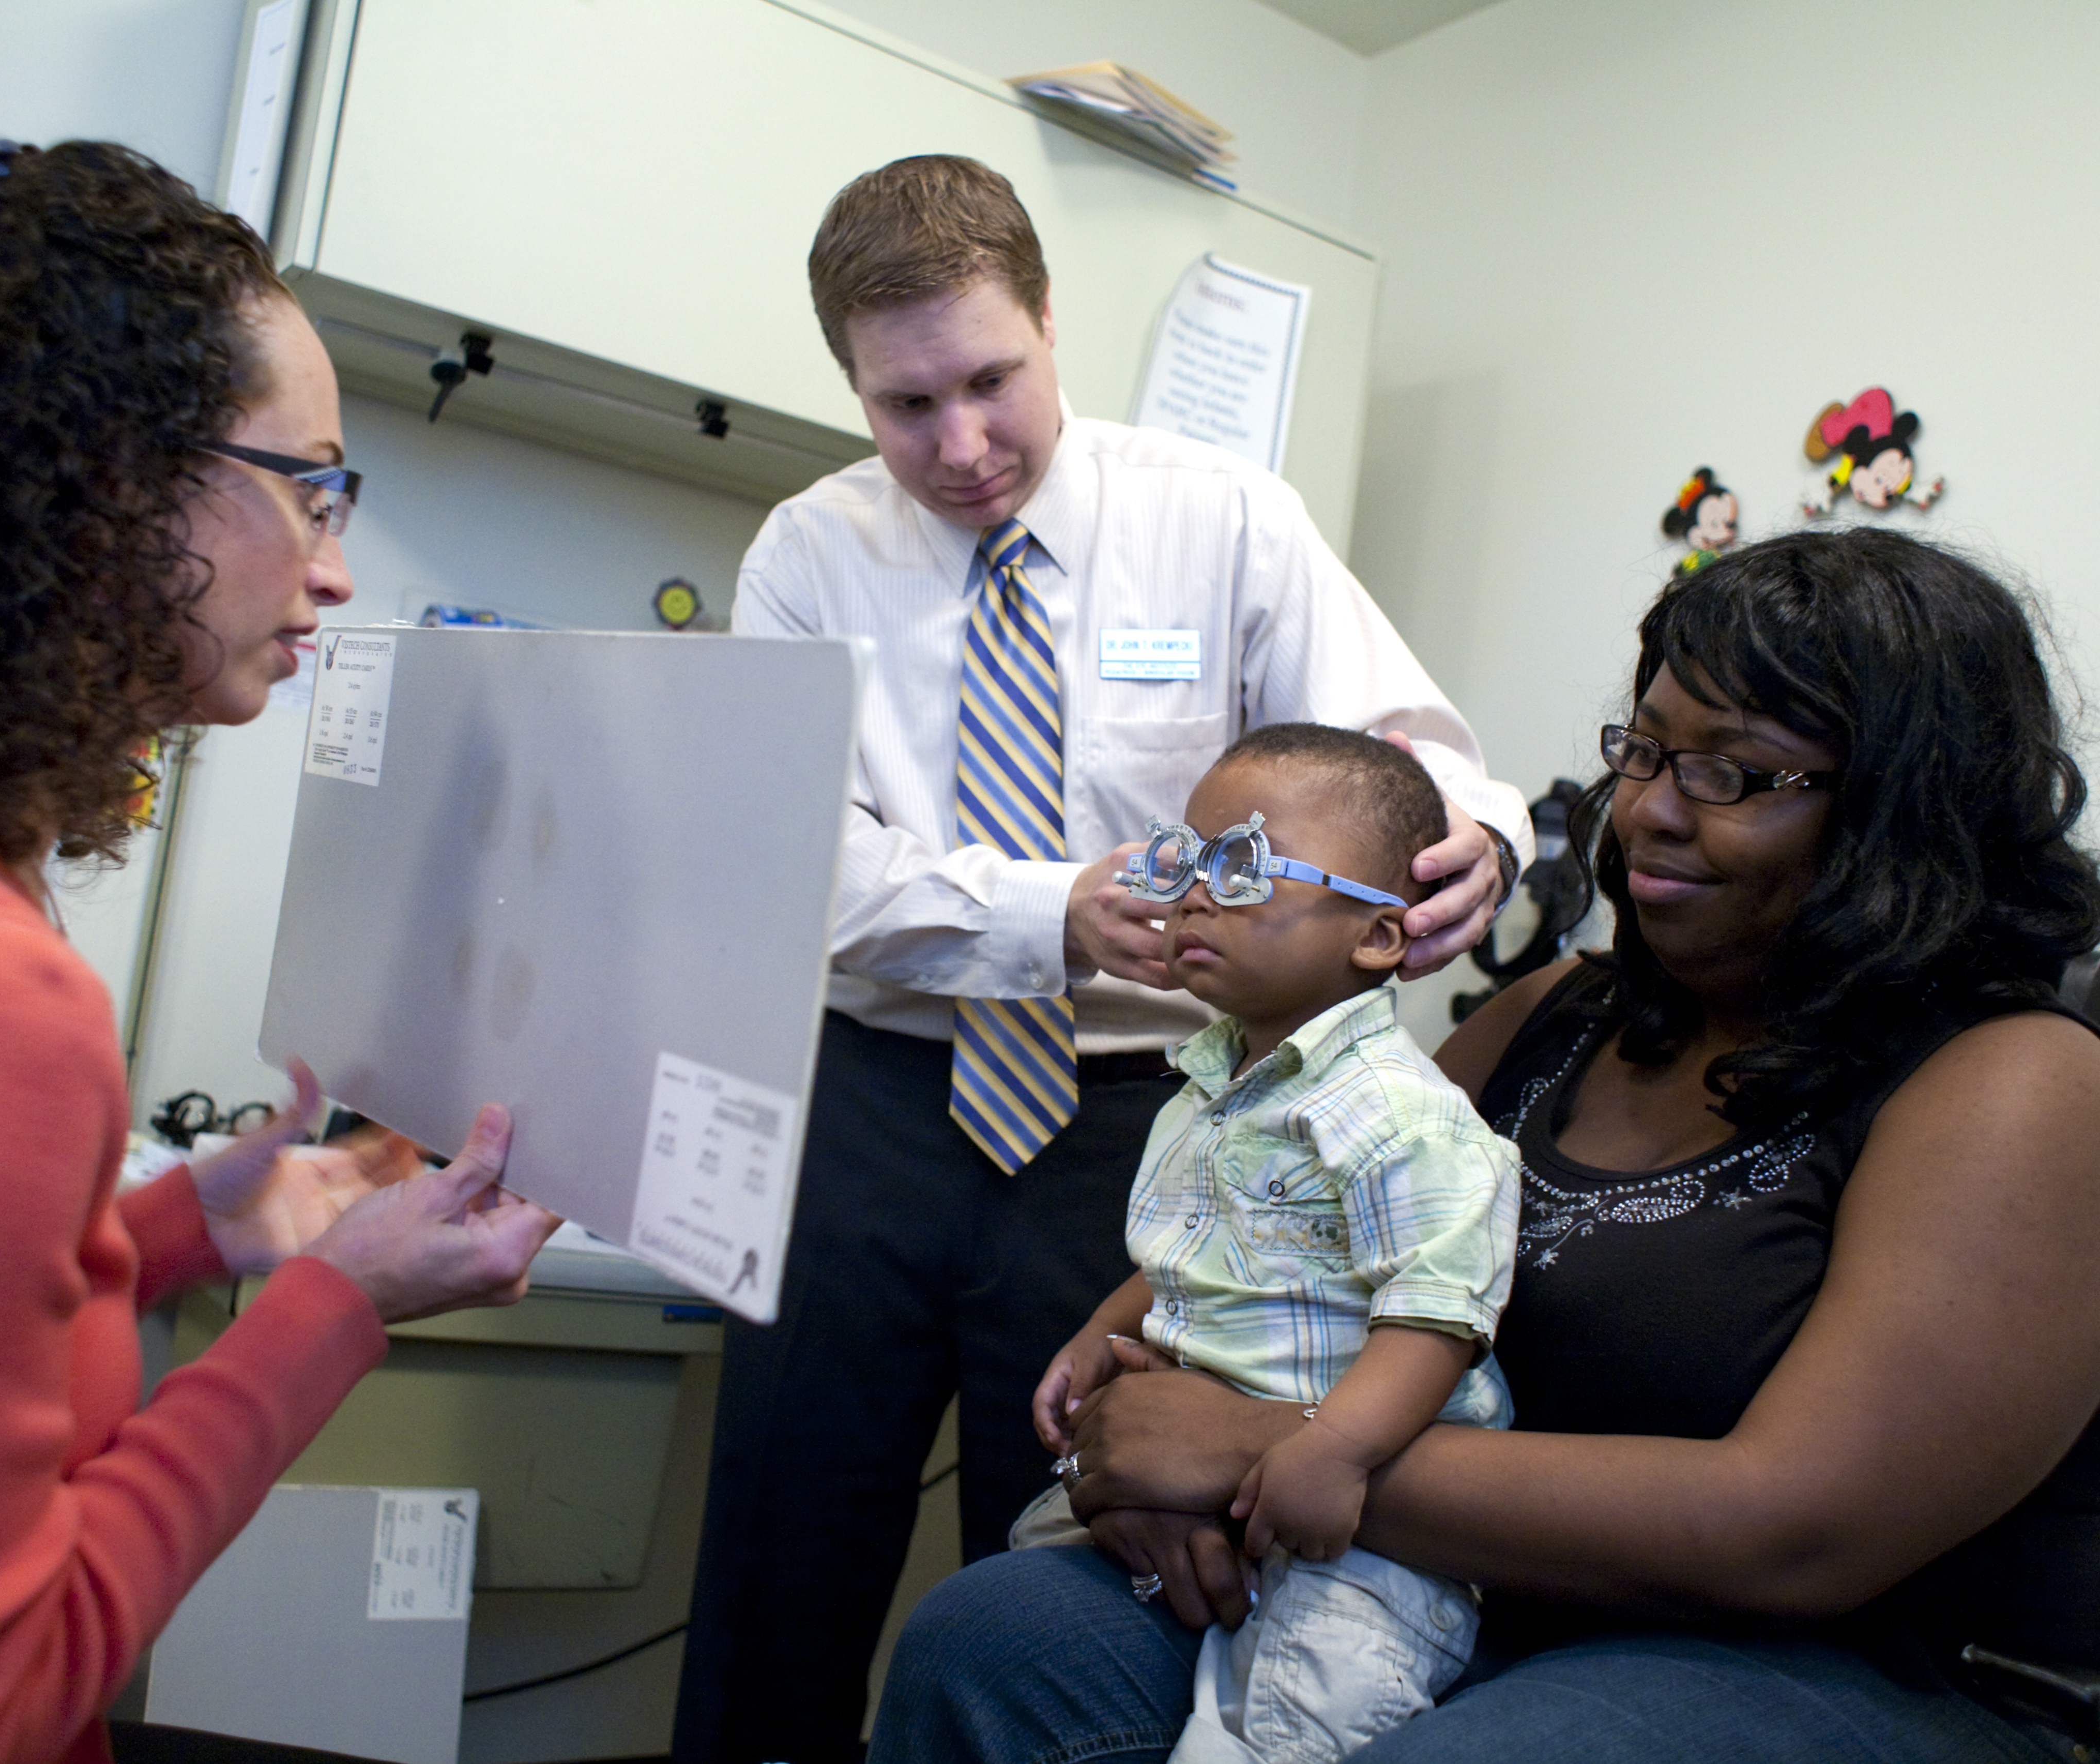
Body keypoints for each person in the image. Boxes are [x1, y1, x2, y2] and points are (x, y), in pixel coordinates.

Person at [871, 525, 2100, 1764]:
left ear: (1905, 806)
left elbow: (1794, 1533)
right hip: (1453, 1588)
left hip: (1859, 1665)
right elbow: (1270, 1252)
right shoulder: (1555, 1015)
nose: (1652, 813)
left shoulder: (2013, 1084)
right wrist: (1147, 1461)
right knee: (998, 1638)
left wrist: (1252, 1459)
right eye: (1648, 751)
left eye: (1732, 773)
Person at [676, 152, 1531, 1764]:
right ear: (852, 385)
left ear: (1052, 322)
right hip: (869, 1103)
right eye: (904, 404)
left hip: (1145, 1125)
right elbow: (794, 860)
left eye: (991, 381)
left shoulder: (1219, 521)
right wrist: (1048, 910)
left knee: (1081, 1545)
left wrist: (1483, 833)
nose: (961, 445)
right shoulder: (807, 556)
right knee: (784, 1542)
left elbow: (1407, 749)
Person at [0, 141, 559, 1764]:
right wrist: (330, 1306)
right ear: (109, 478)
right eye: (307, 485)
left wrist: (187, 1224)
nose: (333, 565)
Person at [1019, 723, 1518, 1762]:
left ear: (1379, 938)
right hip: (1217, 1481)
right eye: (1189, 859)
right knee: (1026, 1552)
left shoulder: (1395, 1113)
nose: (1196, 892)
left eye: (1242, 866)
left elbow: (1438, 1310)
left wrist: (1332, 1452)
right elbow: (1191, 1250)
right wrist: (1089, 1337)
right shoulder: (1213, 1088)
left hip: (1354, 1522)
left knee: (1292, 1731)